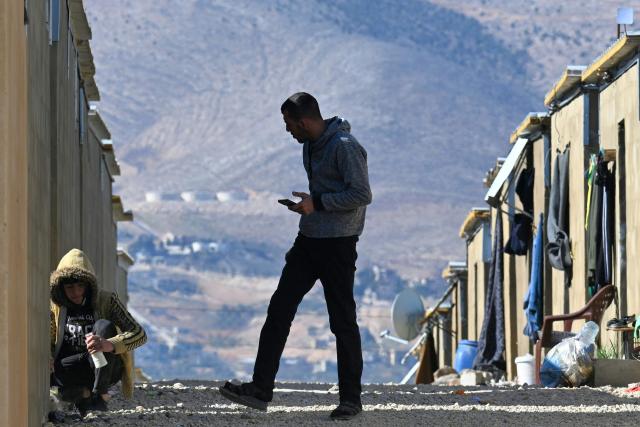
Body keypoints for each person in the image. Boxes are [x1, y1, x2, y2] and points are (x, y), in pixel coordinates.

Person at [220, 92, 372, 420]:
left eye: (289, 124)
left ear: (303, 121)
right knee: (279, 310)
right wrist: (308, 204)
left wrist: (317, 203)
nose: (288, 130)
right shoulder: (310, 146)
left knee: (342, 321)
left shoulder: (344, 146)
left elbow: (361, 194)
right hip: (309, 240)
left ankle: (351, 399)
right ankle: (261, 389)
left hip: (338, 245)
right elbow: (326, 194)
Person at [50, 248, 147, 416]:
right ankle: (83, 395)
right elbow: (48, 341)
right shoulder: (55, 308)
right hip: (70, 367)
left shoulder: (106, 301)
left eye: (81, 286)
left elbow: (139, 334)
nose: (76, 292)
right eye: (70, 287)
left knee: (103, 325)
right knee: (61, 376)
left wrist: (110, 344)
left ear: (89, 285)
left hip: (104, 367)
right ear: (61, 288)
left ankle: (100, 394)